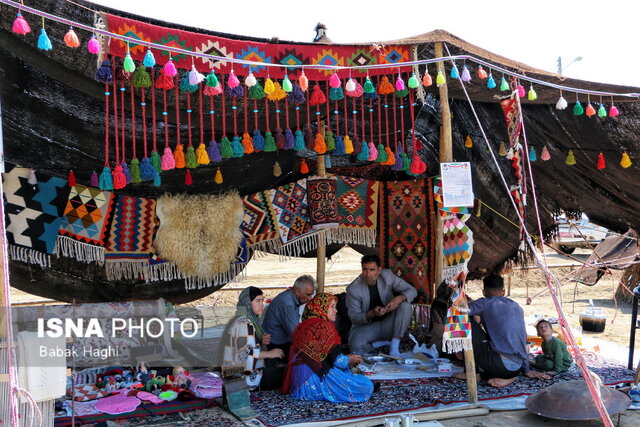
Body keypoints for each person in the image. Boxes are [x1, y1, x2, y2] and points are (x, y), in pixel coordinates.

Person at [454, 274, 551, 387]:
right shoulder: (516, 306)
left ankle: (472, 373)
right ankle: (511, 378)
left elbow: (460, 310)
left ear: (484, 292)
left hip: (499, 367)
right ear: (503, 292)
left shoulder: (484, 302)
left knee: (467, 319)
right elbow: (522, 338)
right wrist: (527, 370)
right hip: (517, 367)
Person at [281, 293, 374, 402]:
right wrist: (349, 359)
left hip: (299, 385)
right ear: (321, 308)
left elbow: (323, 355)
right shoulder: (323, 326)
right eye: (332, 307)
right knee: (366, 385)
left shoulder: (307, 325)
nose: (336, 311)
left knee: (352, 377)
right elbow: (337, 361)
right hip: (314, 380)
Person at [346, 254, 417, 357]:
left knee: (405, 305)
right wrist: (372, 313)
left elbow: (412, 291)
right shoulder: (353, 290)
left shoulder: (387, 276)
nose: (368, 274)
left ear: (379, 270)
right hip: (368, 328)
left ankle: (394, 345)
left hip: (389, 324)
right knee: (354, 343)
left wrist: (397, 299)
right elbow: (354, 317)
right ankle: (377, 345)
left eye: (372, 270)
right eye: (365, 269)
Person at [220, 286, 284, 389]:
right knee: (284, 374)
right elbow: (244, 354)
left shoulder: (241, 319)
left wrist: (259, 341)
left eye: (262, 301)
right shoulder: (244, 323)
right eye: (258, 301)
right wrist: (270, 354)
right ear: (247, 303)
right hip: (241, 378)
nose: (262, 305)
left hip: (233, 375)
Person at [263, 275, 316, 357]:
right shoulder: (287, 302)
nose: (309, 298)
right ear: (298, 291)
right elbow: (295, 332)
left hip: (282, 340)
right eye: (308, 295)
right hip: (276, 344)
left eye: (311, 295)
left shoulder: (291, 298)